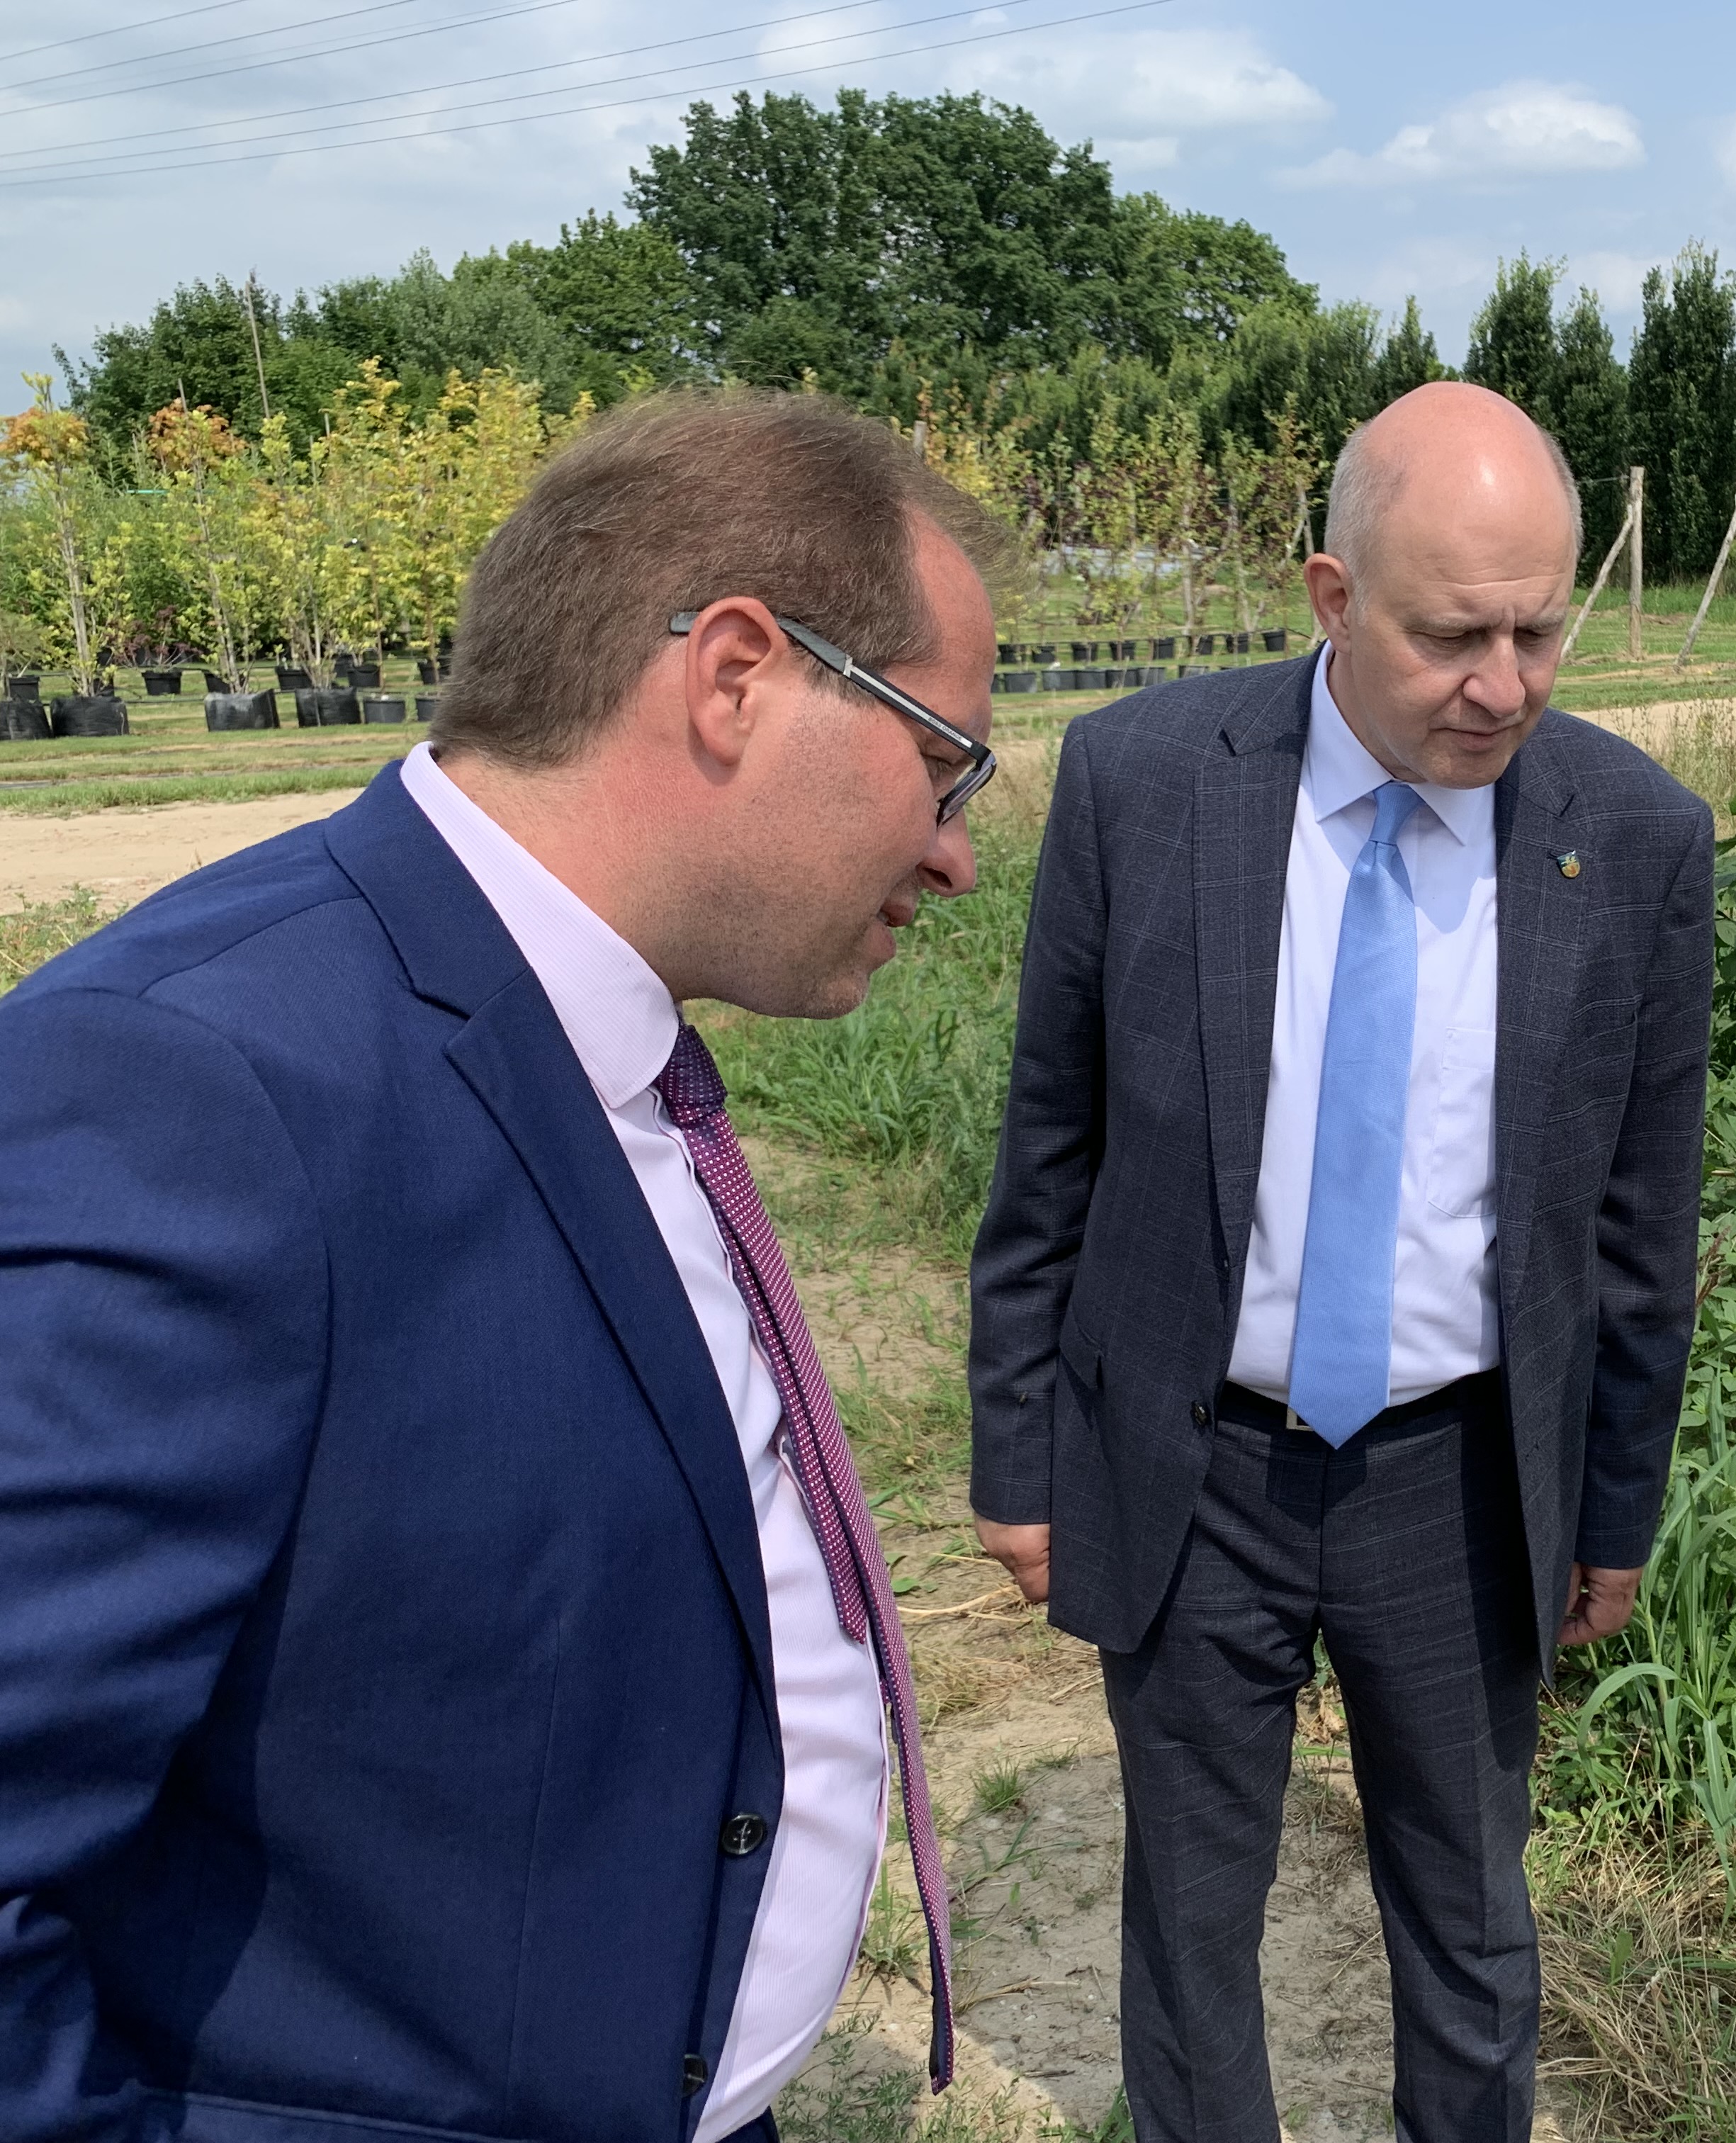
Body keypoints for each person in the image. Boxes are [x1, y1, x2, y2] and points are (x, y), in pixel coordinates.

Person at [0, 392, 998, 2143]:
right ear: (737, 677)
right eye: (942, 757)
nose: (959, 853)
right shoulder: (199, 1091)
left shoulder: (599, 1048)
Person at [968, 380, 1714, 2141]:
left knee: (1468, 1922)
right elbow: (1049, 1150)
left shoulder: (1635, 839)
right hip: (1191, 1450)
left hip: (1455, 1481)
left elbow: (1639, 1230)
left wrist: (1611, 1510)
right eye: (1457, 635)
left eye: (1543, 630)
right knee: (1192, 1919)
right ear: (1329, 596)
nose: (1507, 686)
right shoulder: (1144, 785)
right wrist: (1023, 1454)